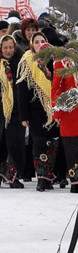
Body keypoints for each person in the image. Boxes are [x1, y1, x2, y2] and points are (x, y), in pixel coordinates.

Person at [16, 31, 59, 192]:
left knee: (53, 143)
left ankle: (48, 176)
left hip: (53, 109)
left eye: (42, 41)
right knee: (39, 143)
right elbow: (21, 90)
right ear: (31, 45)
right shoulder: (27, 61)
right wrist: (24, 115)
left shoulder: (54, 61)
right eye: (36, 42)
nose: (40, 44)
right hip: (35, 110)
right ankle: (41, 177)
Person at [48, 40, 78, 193]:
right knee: (71, 147)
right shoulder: (61, 64)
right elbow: (56, 89)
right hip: (69, 111)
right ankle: (75, 181)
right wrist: (57, 112)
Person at [0, 35, 24, 187]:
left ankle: (13, 175)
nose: (8, 51)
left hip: (16, 110)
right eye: (5, 48)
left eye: (10, 47)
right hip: (0, 109)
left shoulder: (21, 63)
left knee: (14, 143)